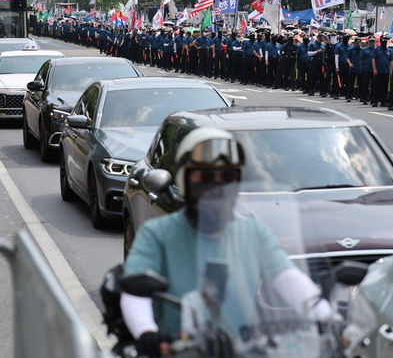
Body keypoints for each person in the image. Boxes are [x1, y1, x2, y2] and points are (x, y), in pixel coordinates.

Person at [121, 127, 331, 357]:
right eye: (206, 178)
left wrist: (326, 316)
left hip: (242, 350)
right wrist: (146, 331)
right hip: (176, 350)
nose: (218, 188)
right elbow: (134, 292)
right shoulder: (157, 233)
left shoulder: (254, 232)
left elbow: (288, 278)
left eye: (228, 178)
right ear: (186, 181)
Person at [371, 35, 391, 107]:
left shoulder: (389, 50)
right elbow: (373, 59)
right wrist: (374, 69)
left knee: (384, 88)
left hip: (386, 71)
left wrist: (391, 70)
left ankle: (383, 101)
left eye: (386, 40)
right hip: (378, 71)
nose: (384, 41)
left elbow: (391, 61)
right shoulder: (376, 49)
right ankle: (375, 101)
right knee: (376, 87)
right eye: (383, 40)